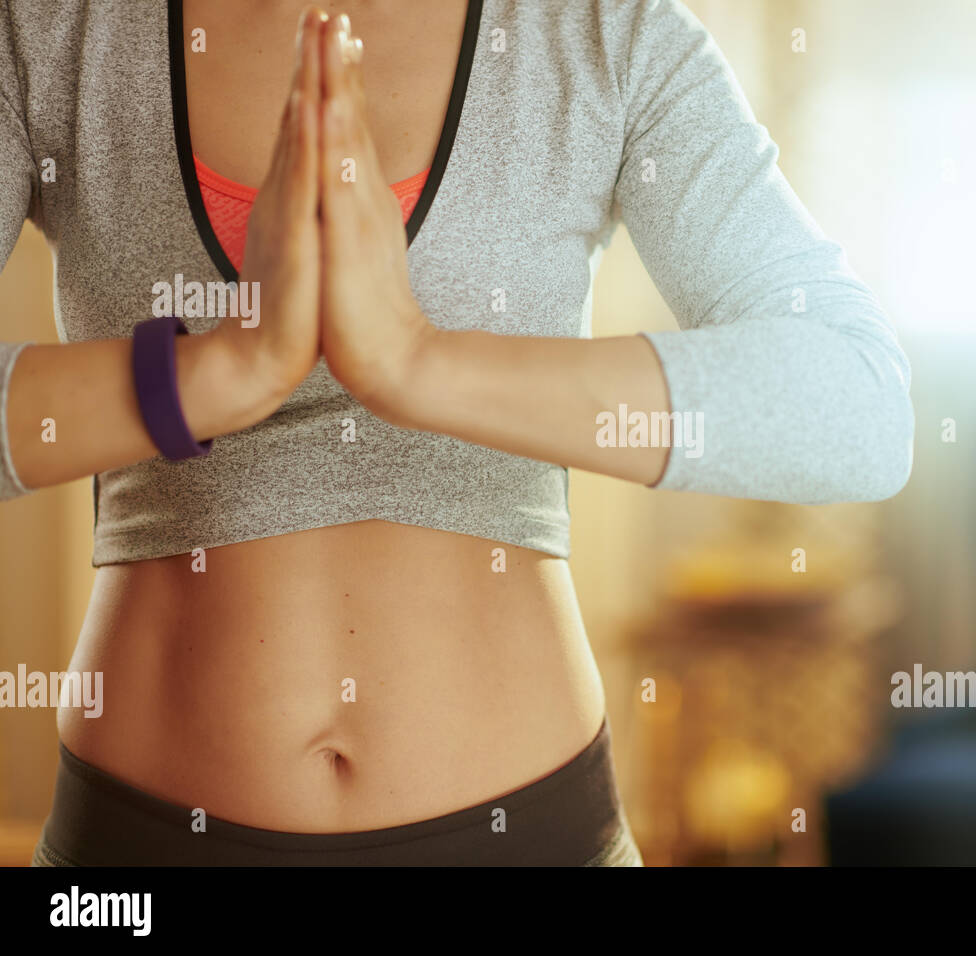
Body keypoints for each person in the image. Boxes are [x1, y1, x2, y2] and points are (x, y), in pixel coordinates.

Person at [0, 0, 914, 865]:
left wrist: (414, 363)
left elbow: (858, 406)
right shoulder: (55, 29)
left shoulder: (599, 31)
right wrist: (216, 371)